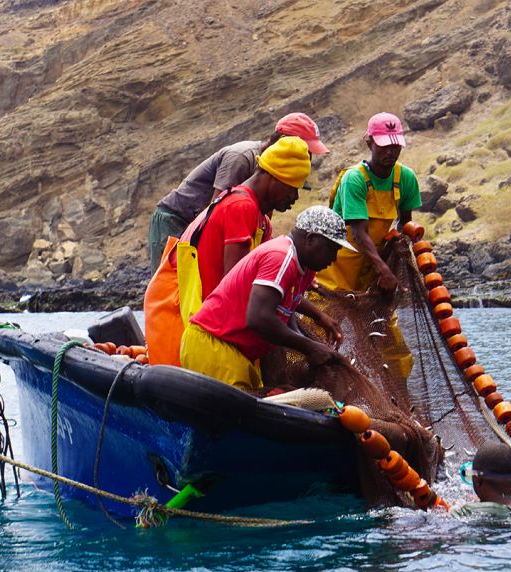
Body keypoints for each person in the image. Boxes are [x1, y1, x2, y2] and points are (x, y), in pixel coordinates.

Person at [144, 136, 312, 366]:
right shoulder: (240, 208)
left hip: (204, 318)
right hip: (180, 313)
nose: (294, 198)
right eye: (293, 189)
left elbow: (268, 284)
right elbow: (237, 286)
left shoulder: (261, 220)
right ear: (274, 177)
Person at [179, 206, 353, 389]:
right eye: (332, 249)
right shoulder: (281, 257)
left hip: (239, 353)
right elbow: (259, 317)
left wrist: (318, 318)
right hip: (215, 345)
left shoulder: (305, 269)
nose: (334, 258)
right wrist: (309, 347)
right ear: (311, 239)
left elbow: (286, 304)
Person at [148, 112, 329, 269]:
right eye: (305, 150)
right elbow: (215, 211)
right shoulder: (242, 158)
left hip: (199, 223)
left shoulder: (274, 176)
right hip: (176, 219)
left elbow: (261, 227)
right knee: (172, 286)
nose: (308, 157)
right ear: (284, 142)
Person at [316, 112, 422, 293]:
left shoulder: (406, 178)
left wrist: (399, 258)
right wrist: (383, 269)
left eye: (395, 146)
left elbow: (405, 223)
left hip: (373, 264)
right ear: (369, 143)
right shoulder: (354, 178)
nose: (390, 152)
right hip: (339, 264)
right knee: (329, 316)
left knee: (379, 320)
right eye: (384, 146)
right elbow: (359, 232)